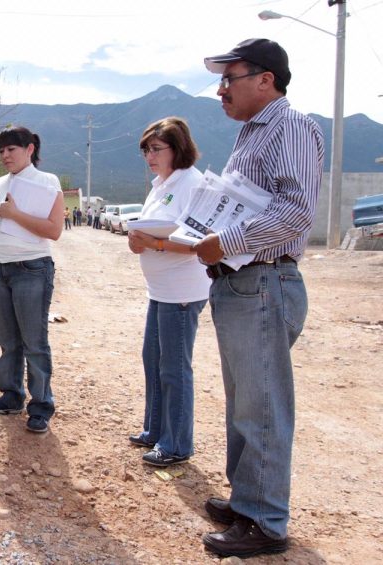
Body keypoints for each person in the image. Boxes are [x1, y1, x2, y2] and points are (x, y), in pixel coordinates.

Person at [194, 39, 324, 558]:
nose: (222, 89)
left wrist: (223, 242)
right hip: (241, 282)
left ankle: (266, 521)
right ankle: (247, 498)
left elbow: (295, 214)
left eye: (231, 77)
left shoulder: (290, 126)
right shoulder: (252, 134)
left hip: (265, 280)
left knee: (263, 406)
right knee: (245, 402)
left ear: (265, 79)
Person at [0, 125, 64, 433]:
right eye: (1, 151)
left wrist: (14, 213)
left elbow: (54, 230)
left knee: (34, 341)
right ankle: (11, 395)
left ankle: (41, 405)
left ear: (30, 149)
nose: (5, 155)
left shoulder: (48, 182)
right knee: (8, 341)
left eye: (11, 149)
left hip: (32, 269)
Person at [127, 117, 210, 468]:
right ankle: (156, 429)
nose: (149, 155)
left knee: (175, 368)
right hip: (159, 289)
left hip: (183, 290)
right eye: (146, 149)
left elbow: (199, 242)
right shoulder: (161, 184)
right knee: (154, 361)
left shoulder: (193, 184)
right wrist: (138, 241)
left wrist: (154, 244)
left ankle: (176, 444)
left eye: (156, 148)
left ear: (178, 148)